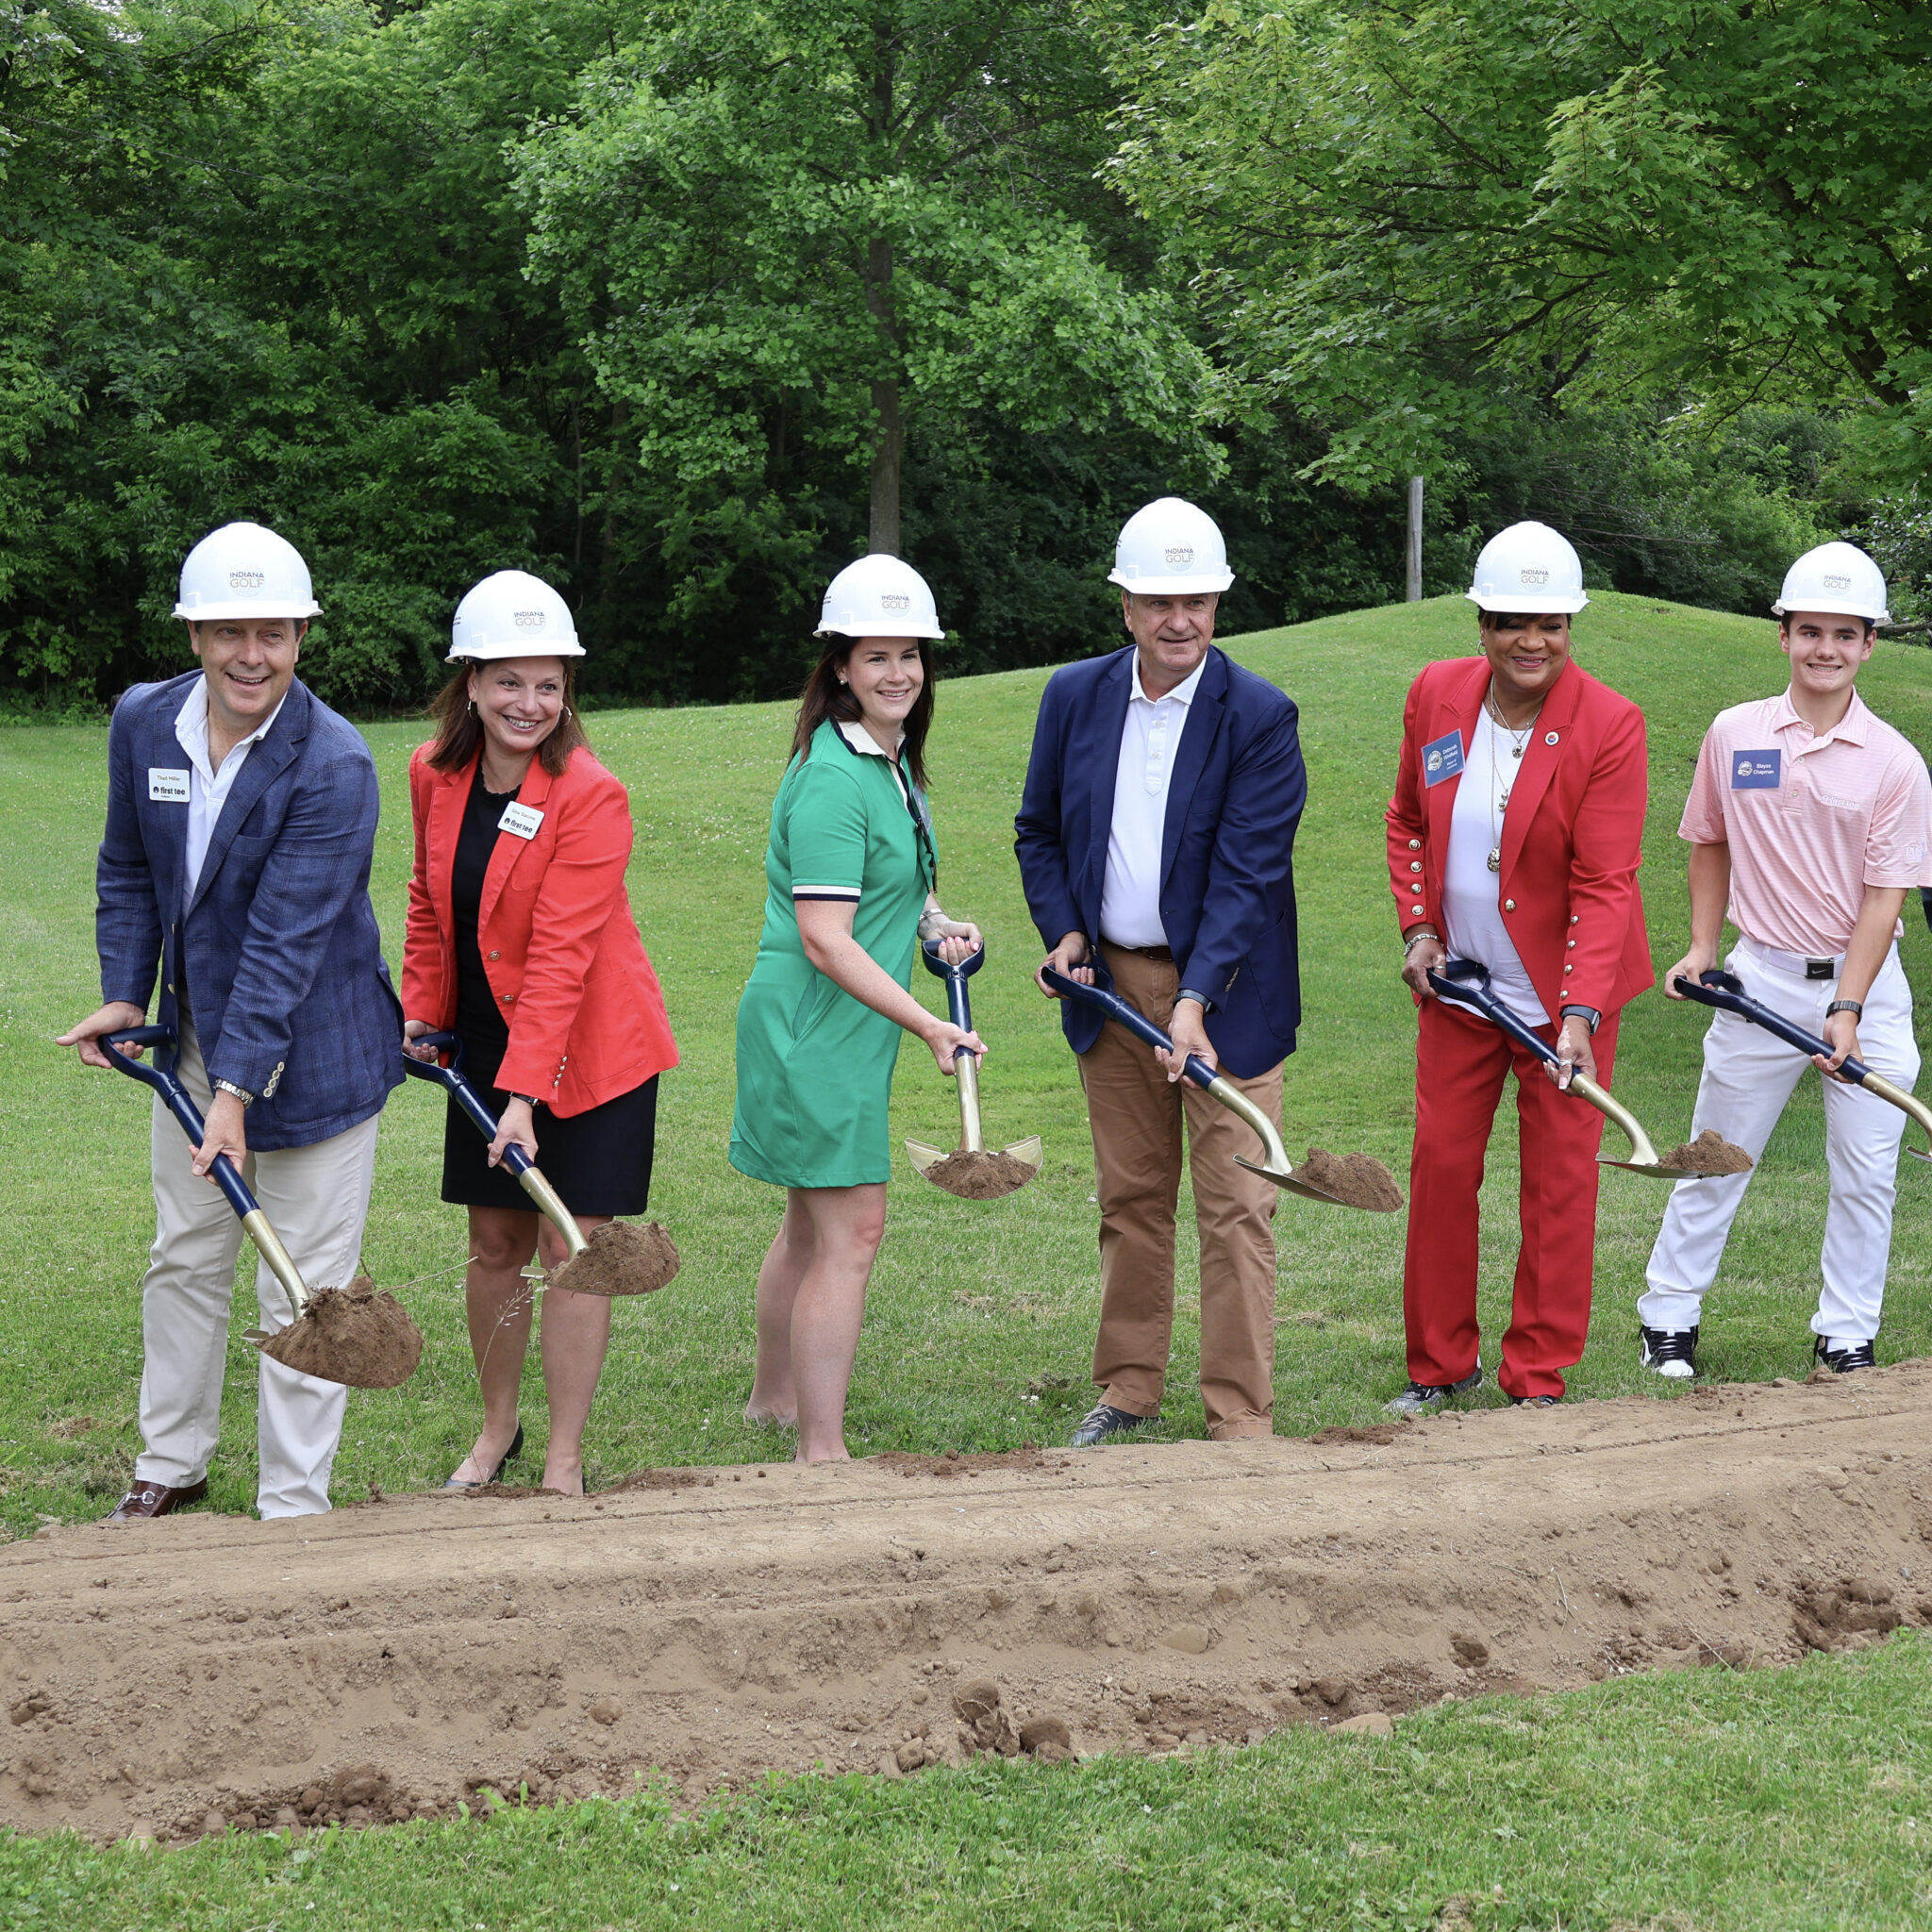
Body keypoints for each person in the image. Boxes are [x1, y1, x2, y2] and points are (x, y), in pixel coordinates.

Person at [58, 521, 402, 1520]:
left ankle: (293, 1501)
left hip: (317, 1055)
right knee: (186, 1255)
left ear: (301, 636)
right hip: (201, 1044)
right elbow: (128, 866)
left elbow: (286, 941)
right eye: (229, 631)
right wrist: (130, 991)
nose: (252, 655)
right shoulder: (143, 721)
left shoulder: (331, 762)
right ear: (195, 633)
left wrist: (238, 1090)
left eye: (275, 634)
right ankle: (171, 1463)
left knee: (307, 1288)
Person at [1015, 497, 1306, 1447]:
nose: (1178, 618)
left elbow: (1246, 875)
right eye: (1157, 600)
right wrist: (1062, 931)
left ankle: (1237, 1415)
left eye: (1196, 599)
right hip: (1110, 989)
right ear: (1125, 607)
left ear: (1217, 603)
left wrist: (1192, 1001)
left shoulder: (1258, 717)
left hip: (1224, 1002)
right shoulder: (1073, 695)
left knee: (1235, 1208)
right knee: (1131, 1199)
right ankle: (1129, 1388)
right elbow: (1040, 831)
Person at [401, 571, 677, 1496]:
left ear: (567, 693)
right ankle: (495, 1430)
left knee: (571, 1248)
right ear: (470, 682)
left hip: (590, 1053)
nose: (529, 702)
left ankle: (562, 1457)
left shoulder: (590, 794)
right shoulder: (432, 773)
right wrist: (423, 1013)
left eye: (548, 684)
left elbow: (563, 957)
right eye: (509, 680)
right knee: (493, 1245)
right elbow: (428, 902)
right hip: (481, 1037)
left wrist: (521, 1098)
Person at [1639, 541, 1932, 1379]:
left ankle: (1846, 1332)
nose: (1826, 649)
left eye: (1845, 634)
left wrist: (1846, 1005)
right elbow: (1709, 842)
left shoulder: (1896, 763)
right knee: (1716, 1154)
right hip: (1757, 979)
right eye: (1811, 631)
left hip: (1865, 994)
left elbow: (1885, 897)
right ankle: (1669, 1317)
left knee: (1868, 1172)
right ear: (1784, 635)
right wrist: (1702, 948)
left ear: (1870, 645)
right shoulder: (1736, 733)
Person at [1388, 521, 1651, 1413]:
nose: (1530, 642)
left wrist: (1576, 1013)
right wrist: (1418, 930)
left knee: (1560, 1182)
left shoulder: (1609, 723)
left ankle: (1536, 1375)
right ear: (1481, 624)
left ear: (1572, 626)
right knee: (1443, 1166)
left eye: (1550, 624)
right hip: (1459, 987)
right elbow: (1409, 824)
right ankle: (1439, 1366)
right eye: (1510, 622)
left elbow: (1606, 881)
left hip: (1560, 998)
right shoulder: (1436, 694)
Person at [731, 555, 983, 1463]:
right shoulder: (840, 776)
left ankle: (773, 1404)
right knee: (853, 1229)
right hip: (815, 1027)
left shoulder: (880, 759)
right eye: (876, 657)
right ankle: (821, 1449)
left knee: (810, 1221)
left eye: (910, 655)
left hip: (834, 1023)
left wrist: (936, 923)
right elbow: (826, 938)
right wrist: (928, 1024)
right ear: (839, 665)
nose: (899, 674)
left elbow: (889, 885)